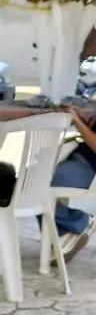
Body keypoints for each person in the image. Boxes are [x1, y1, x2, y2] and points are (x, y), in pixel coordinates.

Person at [48, 103, 96, 262]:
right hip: (80, 159)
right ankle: (64, 234)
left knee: (36, 185)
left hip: (89, 167)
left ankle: (77, 224)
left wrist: (77, 121)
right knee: (28, 181)